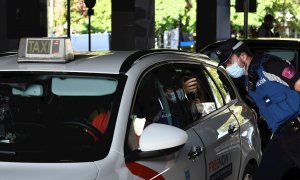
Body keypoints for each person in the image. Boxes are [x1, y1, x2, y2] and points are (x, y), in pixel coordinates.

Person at [215, 38, 300, 180]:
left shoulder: (269, 65)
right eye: (224, 64)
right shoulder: (249, 80)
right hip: (282, 136)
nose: (227, 67)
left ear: (242, 56)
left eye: (229, 62)